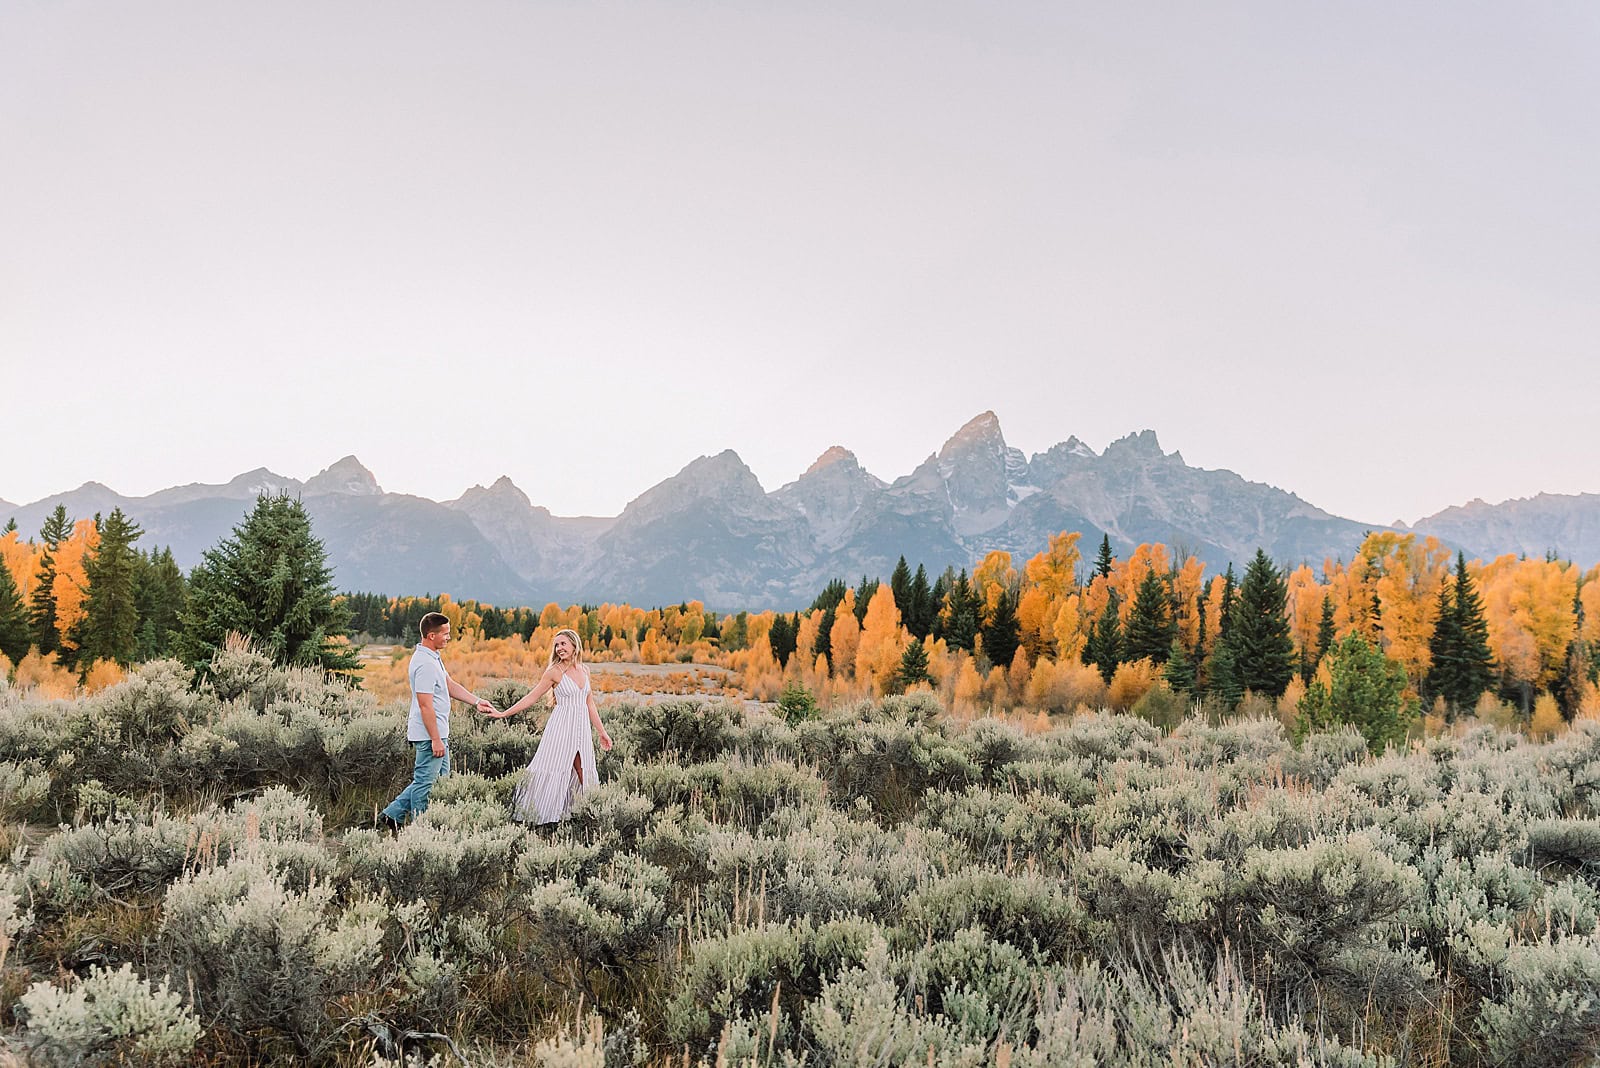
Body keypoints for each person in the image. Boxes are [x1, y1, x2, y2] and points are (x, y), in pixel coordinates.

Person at [379, 612, 496, 830]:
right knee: (425, 784)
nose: (449, 637)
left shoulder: (433, 657)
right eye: (445, 634)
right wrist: (435, 740)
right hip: (429, 736)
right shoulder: (424, 664)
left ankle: (392, 815)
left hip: (438, 733)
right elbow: (425, 705)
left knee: (440, 781)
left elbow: (449, 684)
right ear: (431, 635)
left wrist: (476, 701)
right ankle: (421, 830)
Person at [494, 627, 613, 824]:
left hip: (581, 728)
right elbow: (532, 697)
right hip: (561, 728)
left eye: (563, 644)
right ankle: (543, 815)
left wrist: (602, 732)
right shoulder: (554, 672)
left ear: (575, 645)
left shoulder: (585, 670)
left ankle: (591, 811)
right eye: (556, 645)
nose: (559, 648)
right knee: (558, 766)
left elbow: (589, 703)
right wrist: (504, 713)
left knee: (583, 766)